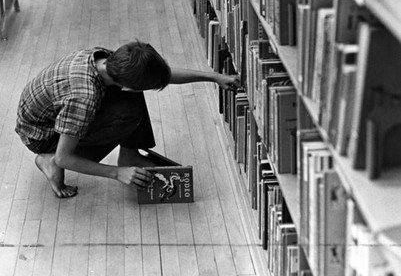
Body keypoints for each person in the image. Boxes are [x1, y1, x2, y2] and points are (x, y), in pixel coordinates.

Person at [15, 40, 240, 198]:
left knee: (130, 101)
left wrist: (213, 77)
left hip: (48, 115)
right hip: (41, 135)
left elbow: (161, 75)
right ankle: (48, 160)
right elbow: (66, 158)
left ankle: (130, 155)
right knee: (128, 114)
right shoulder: (83, 98)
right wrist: (116, 173)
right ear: (126, 84)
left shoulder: (109, 60)